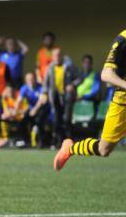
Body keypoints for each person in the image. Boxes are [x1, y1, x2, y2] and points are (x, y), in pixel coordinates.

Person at [54, 29, 126, 171]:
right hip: (122, 101)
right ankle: (70, 148)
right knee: (103, 149)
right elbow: (106, 75)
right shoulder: (123, 40)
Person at [44, 48, 80, 147]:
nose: (57, 57)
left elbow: (79, 77)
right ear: (52, 57)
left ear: (62, 56)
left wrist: (72, 85)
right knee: (57, 120)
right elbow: (46, 82)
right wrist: (45, 93)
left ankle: (70, 141)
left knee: (67, 119)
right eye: (55, 55)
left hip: (67, 96)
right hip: (55, 97)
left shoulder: (69, 66)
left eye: (59, 55)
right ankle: (59, 142)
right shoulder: (50, 67)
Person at [14, 71, 48, 148]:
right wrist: (15, 110)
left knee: (39, 121)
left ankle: (41, 141)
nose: (30, 81)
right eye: (28, 79)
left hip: (41, 109)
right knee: (22, 121)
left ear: (35, 79)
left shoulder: (40, 87)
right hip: (31, 109)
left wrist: (35, 109)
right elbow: (19, 100)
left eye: (32, 79)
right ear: (26, 80)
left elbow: (41, 101)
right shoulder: (24, 88)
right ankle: (26, 141)